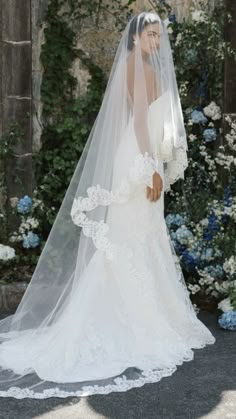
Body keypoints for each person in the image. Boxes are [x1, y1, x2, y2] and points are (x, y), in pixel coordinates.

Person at [0, 11, 216, 399]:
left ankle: (139, 312)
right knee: (130, 235)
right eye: (151, 35)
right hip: (137, 160)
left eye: (158, 36)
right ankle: (127, 317)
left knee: (139, 234)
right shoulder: (139, 67)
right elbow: (137, 123)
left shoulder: (140, 64)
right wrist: (151, 169)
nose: (156, 42)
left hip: (138, 156)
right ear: (134, 38)